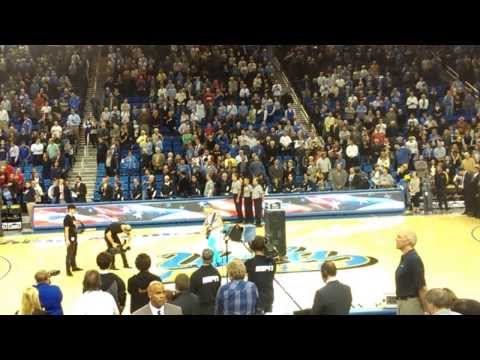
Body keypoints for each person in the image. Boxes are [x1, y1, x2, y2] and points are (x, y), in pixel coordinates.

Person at [395, 230, 428, 315]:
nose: (396, 239)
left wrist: (427, 310)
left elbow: (422, 287)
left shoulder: (414, 259)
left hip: (411, 305)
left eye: (399, 237)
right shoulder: (406, 257)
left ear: (408, 241)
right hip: (402, 304)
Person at [244, 236, 275, 314]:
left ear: (252, 247)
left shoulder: (249, 263)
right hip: (269, 298)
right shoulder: (272, 262)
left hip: (255, 299)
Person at [190, 249, 222, 315]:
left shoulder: (195, 275)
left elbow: (191, 293)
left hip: (201, 309)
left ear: (202, 258)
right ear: (212, 259)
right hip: (214, 309)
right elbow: (219, 290)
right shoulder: (217, 273)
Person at [63, 204, 82, 276]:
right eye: (74, 209)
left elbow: (75, 227)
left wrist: (77, 224)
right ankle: (68, 271)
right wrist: (67, 239)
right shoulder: (67, 218)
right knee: (69, 254)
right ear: (70, 209)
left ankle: (74, 267)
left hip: (74, 236)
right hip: (70, 237)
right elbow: (66, 229)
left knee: (74, 253)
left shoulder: (73, 217)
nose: (75, 210)